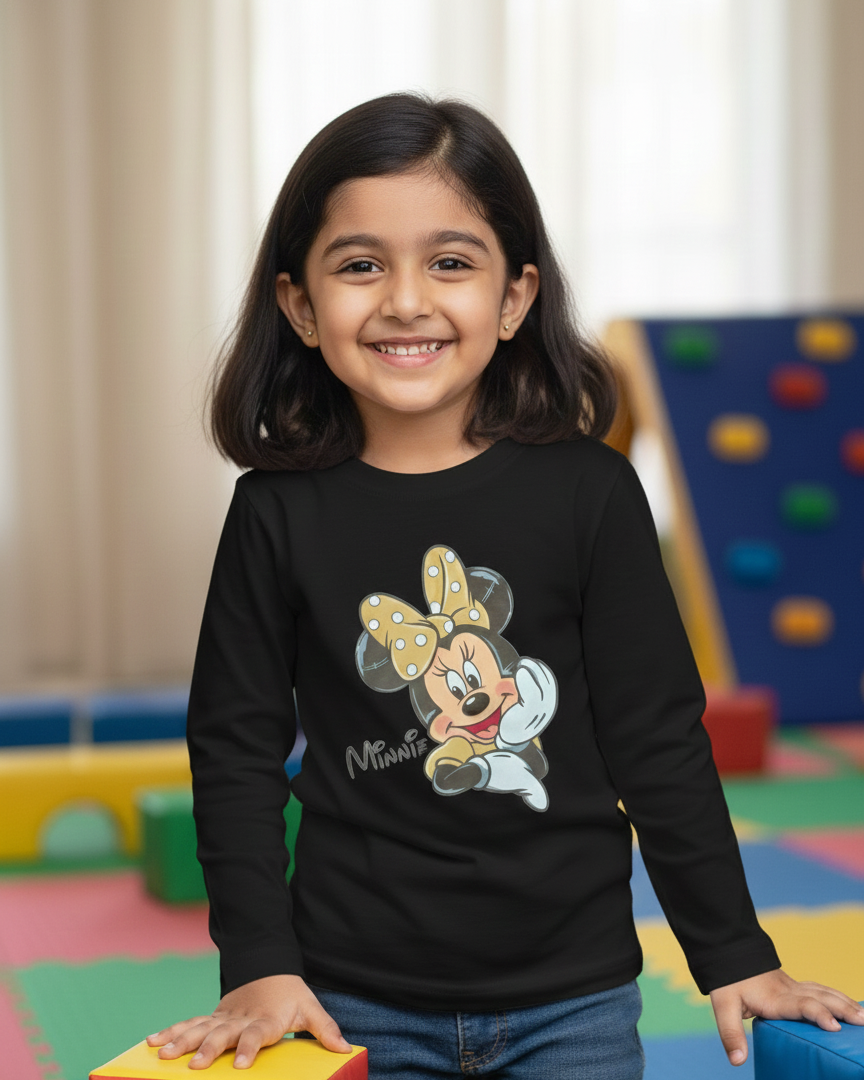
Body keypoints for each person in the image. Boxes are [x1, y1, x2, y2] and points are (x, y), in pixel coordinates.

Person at [146, 93, 864, 1078]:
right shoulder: (275, 512)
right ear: (301, 306)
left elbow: (656, 740)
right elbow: (235, 749)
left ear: (515, 297)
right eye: (360, 265)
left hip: (573, 1001)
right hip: (349, 998)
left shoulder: (591, 494)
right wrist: (260, 966)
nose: (406, 301)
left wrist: (735, 954)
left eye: (450, 262)